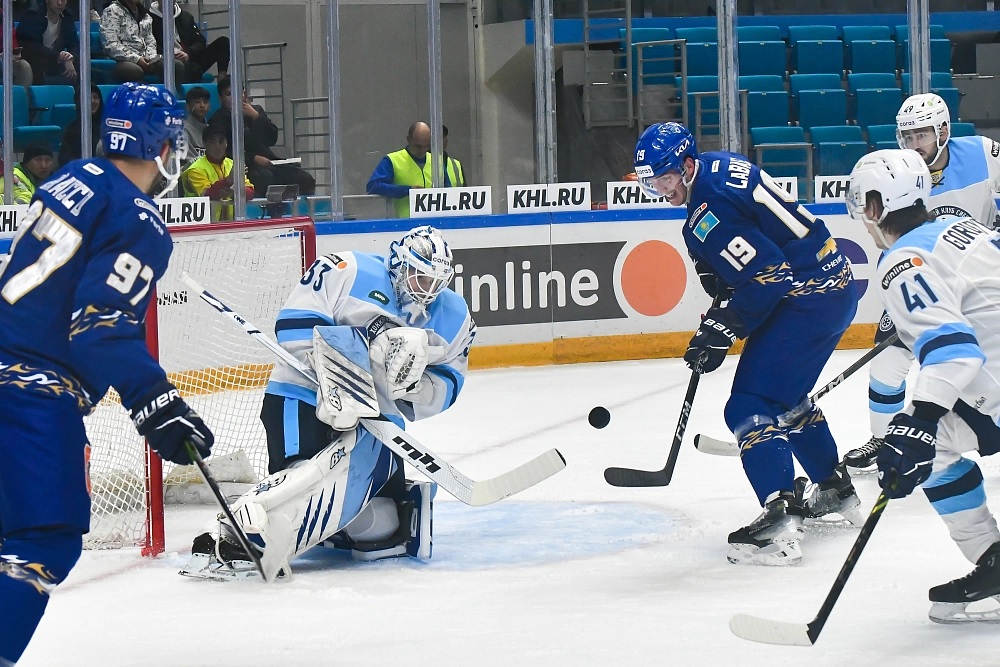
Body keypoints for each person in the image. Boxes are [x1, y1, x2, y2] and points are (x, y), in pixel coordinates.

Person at [0, 82, 214, 664]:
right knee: (42, 541)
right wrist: (156, 398)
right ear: (161, 145)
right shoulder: (137, 216)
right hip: (30, 395)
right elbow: (97, 325)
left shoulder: (69, 180)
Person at [181, 225, 476, 581]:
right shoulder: (348, 270)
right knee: (301, 481)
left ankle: (324, 528)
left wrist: (411, 388)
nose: (424, 290)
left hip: (375, 419)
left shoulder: (455, 316)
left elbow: (449, 381)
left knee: (381, 525)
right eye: (418, 276)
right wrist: (351, 364)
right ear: (398, 262)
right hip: (300, 395)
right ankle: (233, 533)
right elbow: (293, 324)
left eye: (433, 282)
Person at [633, 122, 860, 566]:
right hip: (834, 285)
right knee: (787, 396)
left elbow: (769, 274)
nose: (661, 190)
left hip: (806, 296)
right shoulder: (718, 166)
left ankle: (779, 521)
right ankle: (833, 489)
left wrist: (724, 325)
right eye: (651, 183)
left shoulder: (705, 212)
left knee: (749, 405)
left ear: (685, 164)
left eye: (664, 178)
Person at [847, 148, 1000, 624]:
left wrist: (919, 422)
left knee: (933, 450)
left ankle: (990, 558)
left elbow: (955, 350)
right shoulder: (966, 230)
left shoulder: (902, 259)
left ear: (874, 208)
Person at [844, 92, 1000, 474]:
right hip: (923, 277)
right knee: (886, 360)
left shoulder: (983, 153)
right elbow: (891, 239)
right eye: (908, 136)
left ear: (943, 130)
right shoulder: (899, 173)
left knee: (980, 358)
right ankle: (885, 442)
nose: (915, 144)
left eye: (923, 135)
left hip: (976, 275)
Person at [208, 76, 315, 196]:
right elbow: (222, 150)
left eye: (238, 93)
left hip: (269, 161)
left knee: (305, 178)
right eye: (229, 94)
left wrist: (256, 117)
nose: (234, 98)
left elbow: (272, 138)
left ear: (244, 95)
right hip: (243, 166)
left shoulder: (256, 111)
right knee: (265, 178)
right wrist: (253, 158)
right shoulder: (217, 120)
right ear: (220, 98)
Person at [367, 122, 466, 218]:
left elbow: (447, 190)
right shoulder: (393, 160)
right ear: (408, 139)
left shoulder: (436, 161)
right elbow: (373, 186)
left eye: (426, 146)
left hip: (434, 223)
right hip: (404, 226)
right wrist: (407, 190)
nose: (422, 150)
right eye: (418, 146)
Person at [99, 0, 185, 85]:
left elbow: (150, 40)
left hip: (146, 58)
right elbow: (111, 45)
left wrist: (150, 58)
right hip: (121, 60)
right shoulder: (111, 11)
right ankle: (141, 97)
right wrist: (137, 59)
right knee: (134, 71)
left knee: (176, 65)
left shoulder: (145, 15)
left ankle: (172, 96)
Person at [181, 124, 253, 220]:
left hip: (230, 223)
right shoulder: (195, 169)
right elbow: (207, 195)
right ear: (205, 144)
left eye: (221, 141)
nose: (217, 146)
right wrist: (228, 181)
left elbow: (250, 192)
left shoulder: (232, 164)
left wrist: (233, 193)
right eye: (212, 142)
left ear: (226, 143)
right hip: (202, 226)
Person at [149, 0, 229, 83]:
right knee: (193, 69)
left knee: (223, 42)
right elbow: (149, 44)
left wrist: (188, 54)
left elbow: (200, 42)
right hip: (167, 60)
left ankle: (222, 85)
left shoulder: (186, 17)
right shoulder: (149, 18)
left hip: (189, 56)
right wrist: (171, 55)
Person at [15, 0, 78, 85]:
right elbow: (30, 46)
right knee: (37, 64)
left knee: (83, 67)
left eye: (63, 0)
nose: (59, 3)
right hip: (34, 59)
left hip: (54, 60)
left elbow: (74, 44)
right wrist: (58, 55)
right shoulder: (33, 14)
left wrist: (70, 58)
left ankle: (84, 97)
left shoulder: (67, 17)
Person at [58, 84, 104, 166]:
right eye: (88, 98)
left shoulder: (108, 126)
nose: (92, 101)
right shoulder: (72, 129)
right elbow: (65, 159)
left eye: (96, 97)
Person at [1, 5, 34, 89]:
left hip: (3, 59)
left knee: (24, 67)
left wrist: (14, 53)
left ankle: (18, 100)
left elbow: (12, 42)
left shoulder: (4, 15)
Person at [182, 85, 210, 165]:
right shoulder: (183, 130)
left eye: (205, 102)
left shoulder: (212, 129)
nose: (202, 105)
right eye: (197, 102)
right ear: (188, 106)